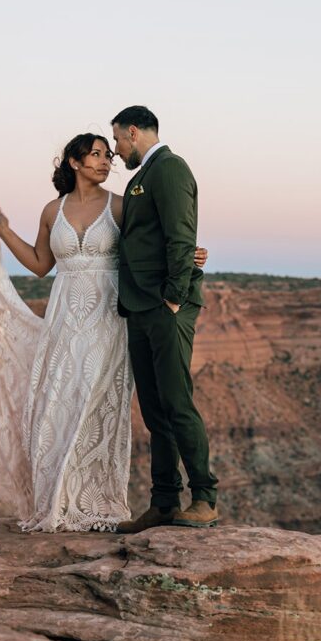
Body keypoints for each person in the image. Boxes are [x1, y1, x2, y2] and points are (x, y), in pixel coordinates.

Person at [0, 131, 208, 533]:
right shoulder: (52, 210)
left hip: (108, 315)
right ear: (74, 163)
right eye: (95, 155)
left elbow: (156, 241)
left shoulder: (121, 206)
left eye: (106, 155)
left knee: (94, 403)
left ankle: (93, 500)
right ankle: (58, 501)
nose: (104, 161)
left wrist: (193, 253)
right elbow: (41, 263)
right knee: (56, 401)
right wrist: (4, 231)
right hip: (64, 315)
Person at [111, 105, 218, 532]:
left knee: (176, 403)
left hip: (163, 306)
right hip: (139, 306)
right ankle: (164, 501)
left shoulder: (170, 169)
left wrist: (174, 298)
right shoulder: (143, 176)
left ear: (133, 132)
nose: (117, 151)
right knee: (155, 410)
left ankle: (206, 497)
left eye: (118, 140)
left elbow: (180, 234)